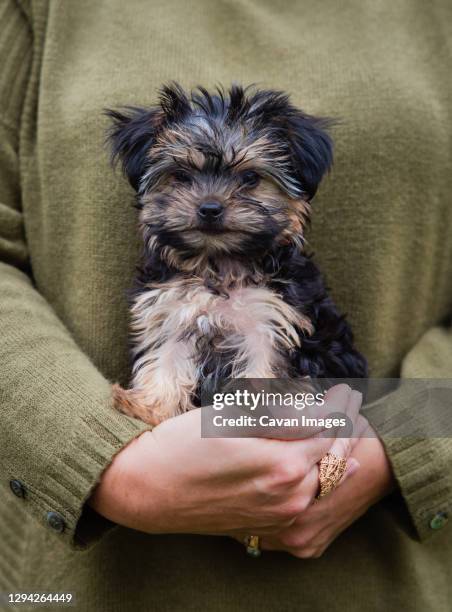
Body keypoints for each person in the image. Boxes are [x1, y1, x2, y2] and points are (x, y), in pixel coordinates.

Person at [1, 1, 451, 610]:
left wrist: (409, 443)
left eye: (248, 181)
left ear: (300, 187)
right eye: (180, 179)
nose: (211, 204)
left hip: (390, 576)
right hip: (97, 580)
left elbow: (273, 386)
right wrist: (104, 461)